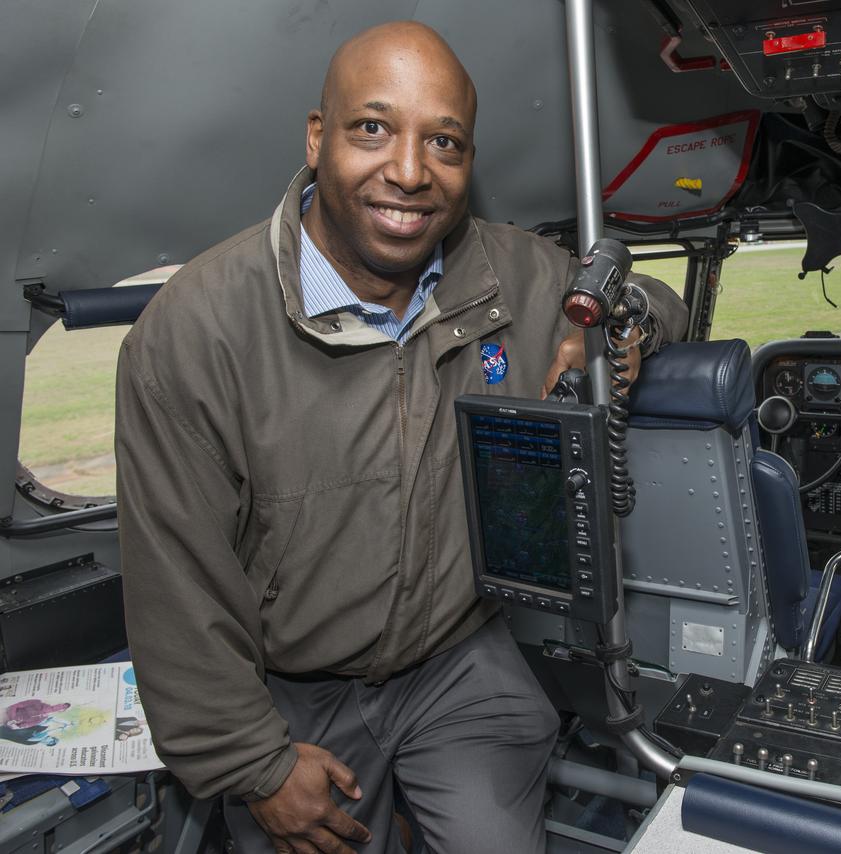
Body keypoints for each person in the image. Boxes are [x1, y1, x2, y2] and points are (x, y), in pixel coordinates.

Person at [115, 20, 687, 854]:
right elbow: (176, 588)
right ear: (318, 139)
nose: (410, 172)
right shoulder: (197, 330)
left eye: (444, 142)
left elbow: (649, 295)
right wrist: (258, 766)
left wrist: (622, 335)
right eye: (373, 129)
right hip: (290, 690)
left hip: (458, 659)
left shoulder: (513, 275)